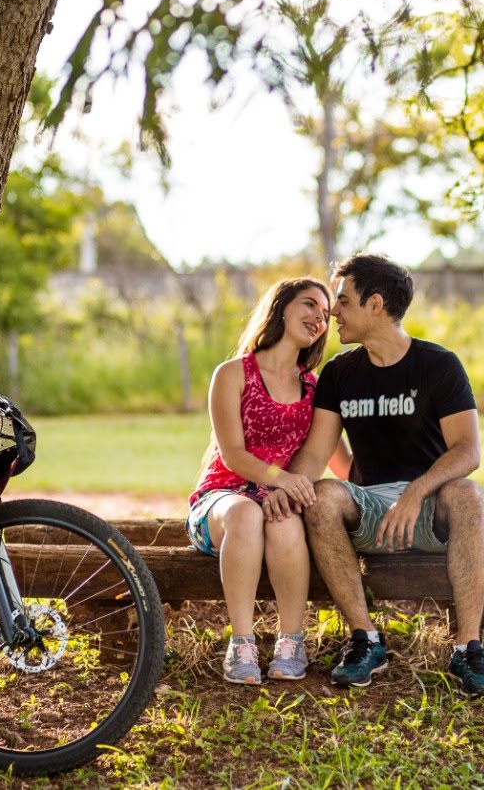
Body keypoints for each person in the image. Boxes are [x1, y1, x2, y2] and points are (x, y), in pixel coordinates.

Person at [284, 253, 484, 698]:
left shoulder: (438, 365)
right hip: (370, 511)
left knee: (468, 493)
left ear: (376, 305)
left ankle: (467, 648)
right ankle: (366, 640)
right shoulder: (340, 373)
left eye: (342, 301)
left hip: (431, 508)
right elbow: (315, 455)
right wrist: (281, 490)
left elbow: (468, 450)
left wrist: (417, 493)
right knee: (323, 495)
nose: (332, 313)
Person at [188, 277, 345, 685]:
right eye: (309, 304)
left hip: (279, 499)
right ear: (280, 307)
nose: (318, 318)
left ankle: (291, 641)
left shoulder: (315, 389)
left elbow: (337, 459)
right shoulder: (233, 374)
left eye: (325, 314)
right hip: (223, 499)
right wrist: (284, 481)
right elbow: (233, 455)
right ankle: (241, 644)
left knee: (285, 521)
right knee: (245, 514)